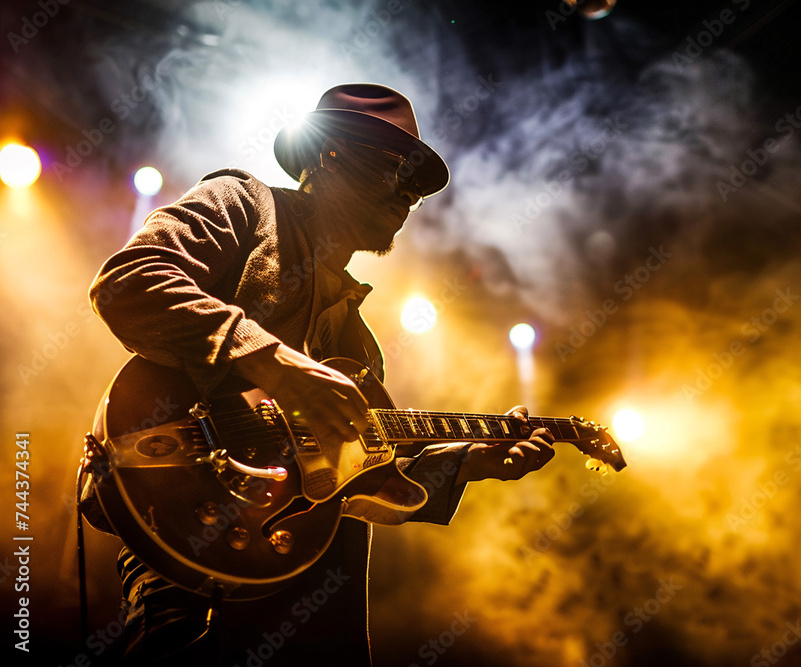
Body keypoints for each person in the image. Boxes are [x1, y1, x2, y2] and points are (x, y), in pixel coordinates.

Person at [82, 83, 555, 665]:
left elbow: (348, 482)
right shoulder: (244, 202)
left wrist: (462, 463)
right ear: (329, 154)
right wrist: (276, 364)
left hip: (310, 578)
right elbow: (130, 281)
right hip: (195, 533)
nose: (409, 196)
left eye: (418, 183)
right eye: (396, 169)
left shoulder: (360, 346)